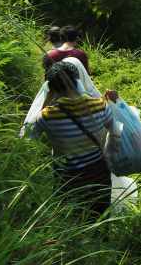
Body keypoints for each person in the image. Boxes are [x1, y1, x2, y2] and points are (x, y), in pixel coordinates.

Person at [27, 61, 119, 219]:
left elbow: (29, 133)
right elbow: (114, 129)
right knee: (100, 222)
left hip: (69, 182)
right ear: (77, 83)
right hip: (100, 177)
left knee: (72, 227)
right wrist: (115, 102)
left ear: (52, 88)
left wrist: (47, 100)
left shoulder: (47, 115)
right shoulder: (100, 106)